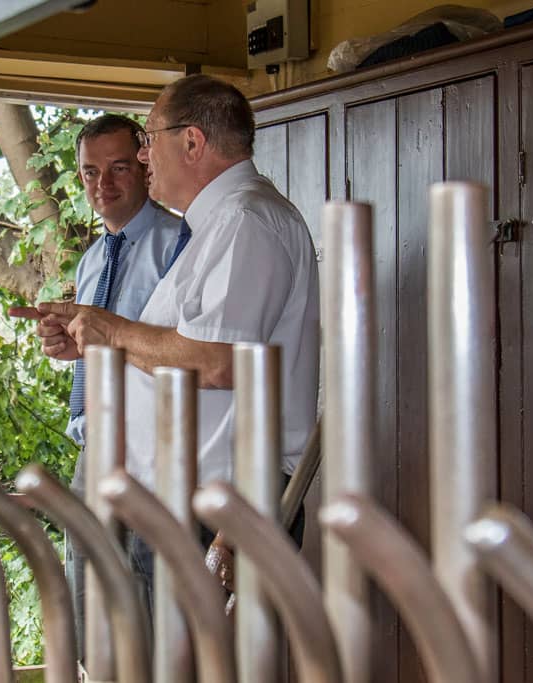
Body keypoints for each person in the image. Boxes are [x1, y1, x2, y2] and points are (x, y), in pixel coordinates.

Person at [31, 74, 320, 598]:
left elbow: (217, 362)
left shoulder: (246, 221)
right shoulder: (217, 225)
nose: (143, 157)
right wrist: (99, 343)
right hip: (173, 500)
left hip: (216, 510)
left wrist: (113, 330)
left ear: (192, 141)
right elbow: (181, 345)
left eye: (147, 139)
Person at [9, 113, 181, 658]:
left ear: (146, 164)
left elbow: (187, 350)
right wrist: (68, 346)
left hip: (153, 454)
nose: (102, 185)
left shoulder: (181, 243)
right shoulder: (90, 261)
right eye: (89, 172)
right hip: (93, 452)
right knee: (90, 620)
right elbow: (105, 346)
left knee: (151, 624)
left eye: (118, 168)